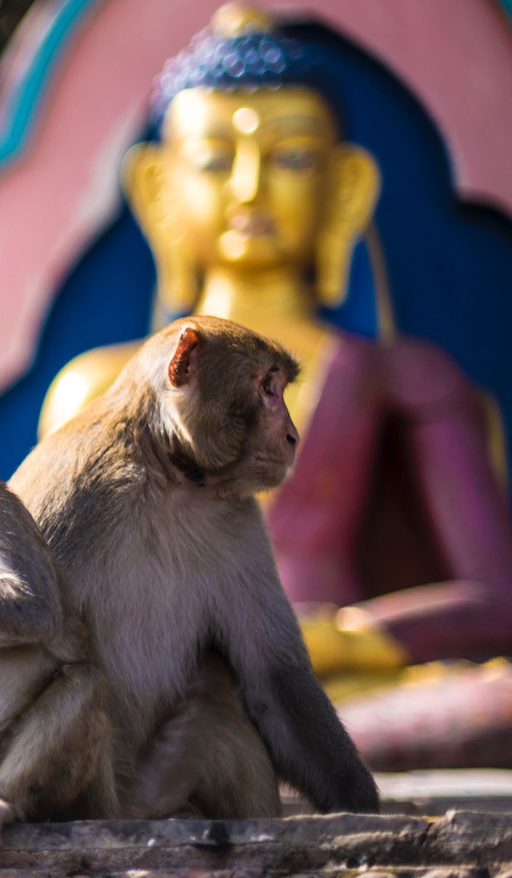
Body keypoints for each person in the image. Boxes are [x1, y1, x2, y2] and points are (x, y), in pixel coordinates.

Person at [42, 4, 512, 695]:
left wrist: (335, 639)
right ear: (157, 188)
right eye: (215, 160)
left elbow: (495, 601)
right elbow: (58, 594)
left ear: (344, 188)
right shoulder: (99, 386)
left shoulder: (402, 379)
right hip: (163, 696)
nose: (251, 188)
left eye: (290, 157)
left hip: (331, 685)